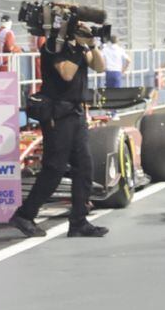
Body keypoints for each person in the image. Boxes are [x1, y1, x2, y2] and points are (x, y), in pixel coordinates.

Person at [9, 18, 107, 238]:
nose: (84, 31)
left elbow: (100, 67)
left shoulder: (80, 48)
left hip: (76, 113)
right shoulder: (54, 46)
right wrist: (78, 48)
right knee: (54, 168)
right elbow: (66, 73)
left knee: (84, 167)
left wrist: (91, 45)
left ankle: (79, 221)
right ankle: (25, 214)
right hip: (58, 115)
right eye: (80, 28)